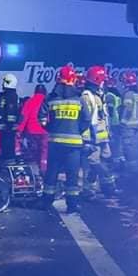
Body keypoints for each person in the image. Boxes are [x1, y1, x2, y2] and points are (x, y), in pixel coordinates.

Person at [38, 66, 91, 213]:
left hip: (55, 142)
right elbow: (86, 120)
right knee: (72, 175)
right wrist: (77, 130)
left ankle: (46, 203)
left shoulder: (51, 98)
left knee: (51, 173)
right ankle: (72, 206)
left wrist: (51, 128)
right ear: (73, 80)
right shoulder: (79, 99)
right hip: (74, 145)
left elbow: (41, 118)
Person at [79, 65, 117, 198]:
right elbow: (87, 119)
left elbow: (103, 116)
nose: (104, 83)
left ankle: (96, 189)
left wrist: (108, 133)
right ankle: (97, 188)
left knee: (104, 161)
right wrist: (87, 140)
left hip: (103, 137)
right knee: (93, 163)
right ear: (97, 80)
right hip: (92, 138)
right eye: (102, 80)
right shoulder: (86, 96)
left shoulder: (100, 95)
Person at [18, 83, 49, 172]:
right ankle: (44, 170)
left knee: (33, 153)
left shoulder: (30, 101)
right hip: (45, 131)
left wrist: (19, 131)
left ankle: (34, 173)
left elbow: (24, 117)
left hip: (31, 131)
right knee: (44, 152)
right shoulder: (47, 101)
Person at [119, 70, 138, 173]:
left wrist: (122, 122)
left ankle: (132, 173)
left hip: (128, 127)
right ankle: (137, 171)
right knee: (135, 150)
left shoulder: (128, 94)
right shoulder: (137, 95)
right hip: (136, 126)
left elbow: (128, 109)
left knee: (129, 151)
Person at [0, 73, 21, 161]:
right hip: (6, 125)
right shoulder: (8, 95)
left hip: (7, 126)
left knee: (7, 142)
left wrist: (9, 123)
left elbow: (10, 109)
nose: (2, 84)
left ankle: (8, 157)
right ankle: (6, 157)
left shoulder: (11, 95)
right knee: (5, 142)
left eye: (4, 82)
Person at [103, 75, 124, 170]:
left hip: (112, 123)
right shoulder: (118, 94)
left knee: (113, 144)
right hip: (118, 121)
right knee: (117, 144)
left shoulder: (109, 96)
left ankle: (113, 165)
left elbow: (110, 110)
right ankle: (119, 163)